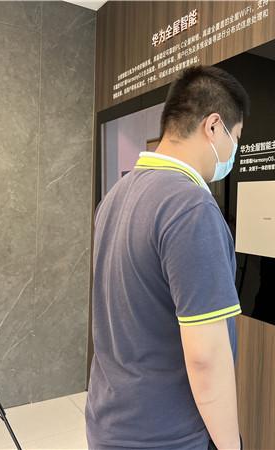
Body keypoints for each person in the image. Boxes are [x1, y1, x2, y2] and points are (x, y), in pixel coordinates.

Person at [86, 66, 249, 450]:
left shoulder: (117, 195)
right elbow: (207, 358)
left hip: (110, 421)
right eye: (236, 138)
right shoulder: (191, 206)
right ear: (213, 126)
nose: (233, 153)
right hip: (165, 435)